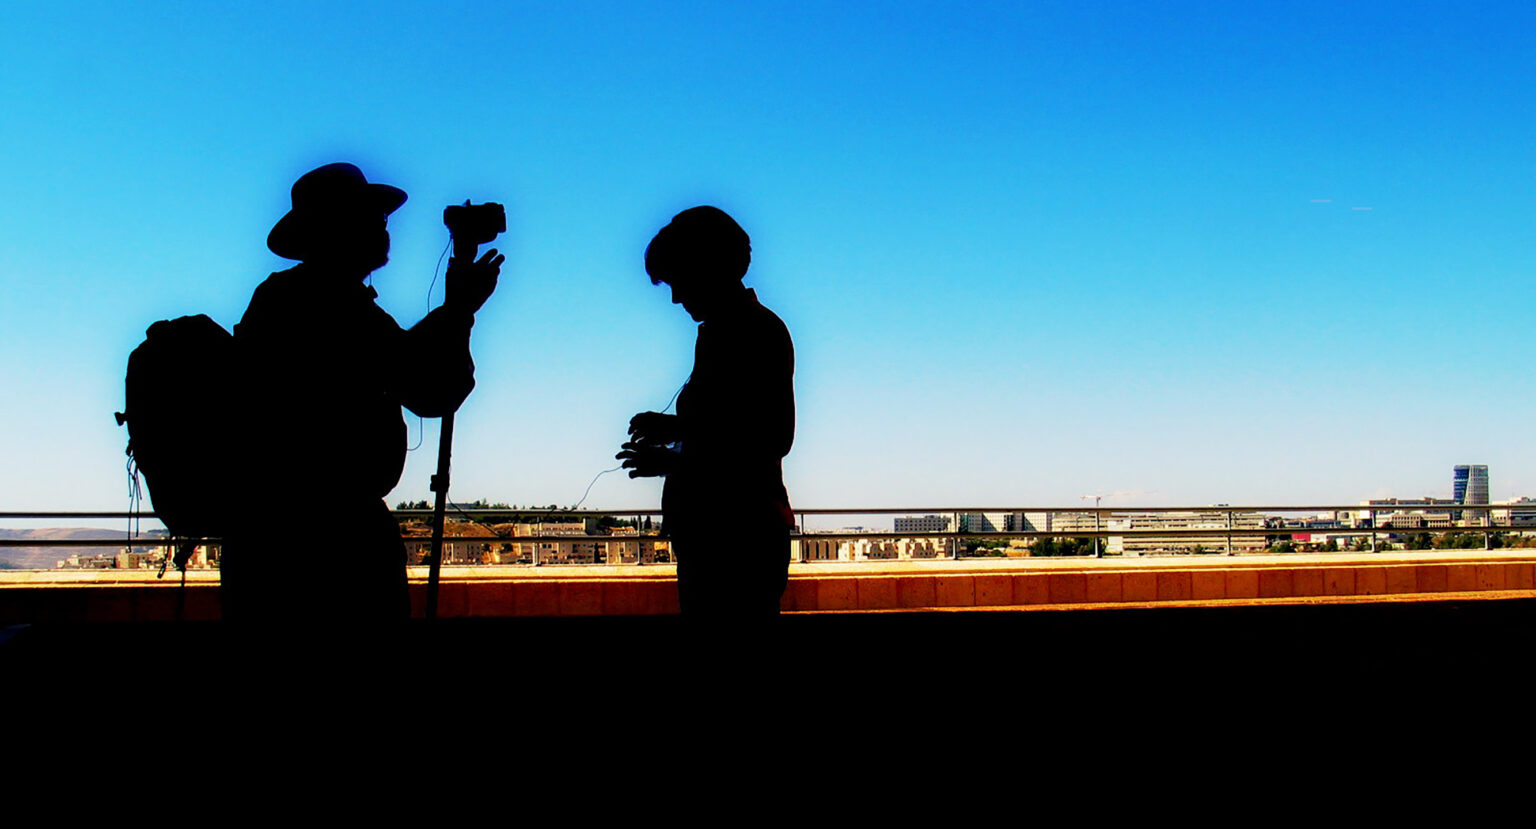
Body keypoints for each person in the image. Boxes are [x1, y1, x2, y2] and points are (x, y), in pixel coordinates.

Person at [222, 162, 501, 625]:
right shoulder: (325, 302)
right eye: (371, 216)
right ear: (337, 226)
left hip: (275, 541)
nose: (383, 226)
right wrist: (458, 311)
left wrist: (455, 311)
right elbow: (430, 388)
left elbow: (407, 366)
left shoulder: (292, 298)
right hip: (329, 544)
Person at [618, 206, 795, 617]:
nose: (676, 297)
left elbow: (772, 437)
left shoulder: (755, 332)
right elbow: (734, 429)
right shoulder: (730, 333)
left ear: (710, 267)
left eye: (678, 280)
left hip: (736, 540)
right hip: (722, 537)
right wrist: (677, 433)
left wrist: (675, 456)